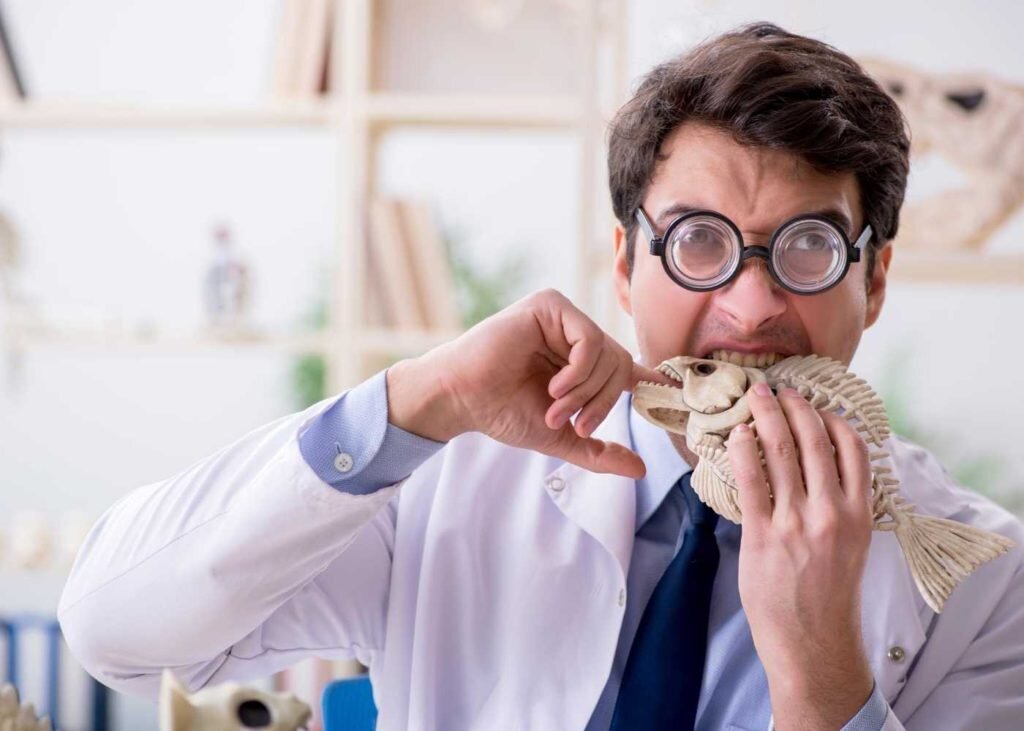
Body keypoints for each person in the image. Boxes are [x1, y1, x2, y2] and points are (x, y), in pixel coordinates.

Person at [59, 22, 1023, 731]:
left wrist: (821, 676)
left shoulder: (987, 577)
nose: (752, 304)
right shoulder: (442, 480)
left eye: (809, 246)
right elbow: (115, 632)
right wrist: (420, 400)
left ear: (875, 280)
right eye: (699, 241)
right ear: (625, 264)